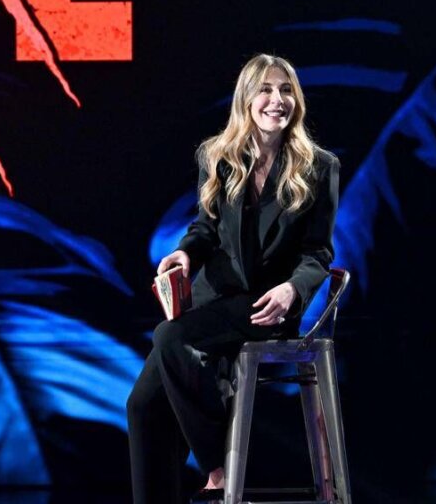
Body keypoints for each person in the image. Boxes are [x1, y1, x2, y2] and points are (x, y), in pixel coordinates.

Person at [127, 54, 340, 503]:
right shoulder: (218, 156)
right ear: (246, 99)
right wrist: (185, 253)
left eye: (286, 90)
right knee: (143, 405)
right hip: (215, 300)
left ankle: (218, 470)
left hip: (267, 305)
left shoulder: (320, 166)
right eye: (266, 89)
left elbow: (318, 252)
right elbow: (205, 228)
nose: (277, 100)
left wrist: (292, 290)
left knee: (170, 336)